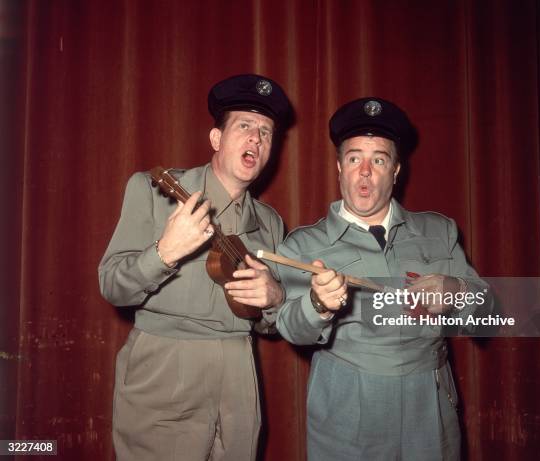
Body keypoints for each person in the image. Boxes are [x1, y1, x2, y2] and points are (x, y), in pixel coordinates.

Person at [275, 97, 492, 460]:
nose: (364, 171)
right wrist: (317, 305)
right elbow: (290, 328)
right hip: (347, 409)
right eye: (354, 157)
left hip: (430, 405)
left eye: (378, 159)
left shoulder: (439, 231)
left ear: (395, 170)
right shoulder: (304, 244)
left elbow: (487, 313)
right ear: (339, 168)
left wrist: (456, 291)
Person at [99, 74, 292, 461]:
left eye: (266, 132)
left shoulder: (270, 223)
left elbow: (270, 323)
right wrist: (164, 253)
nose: (256, 138)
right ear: (216, 139)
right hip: (165, 364)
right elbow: (112, 287)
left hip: (239, 370)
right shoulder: (154, 191)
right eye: (245, 126)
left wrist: (275, 299)